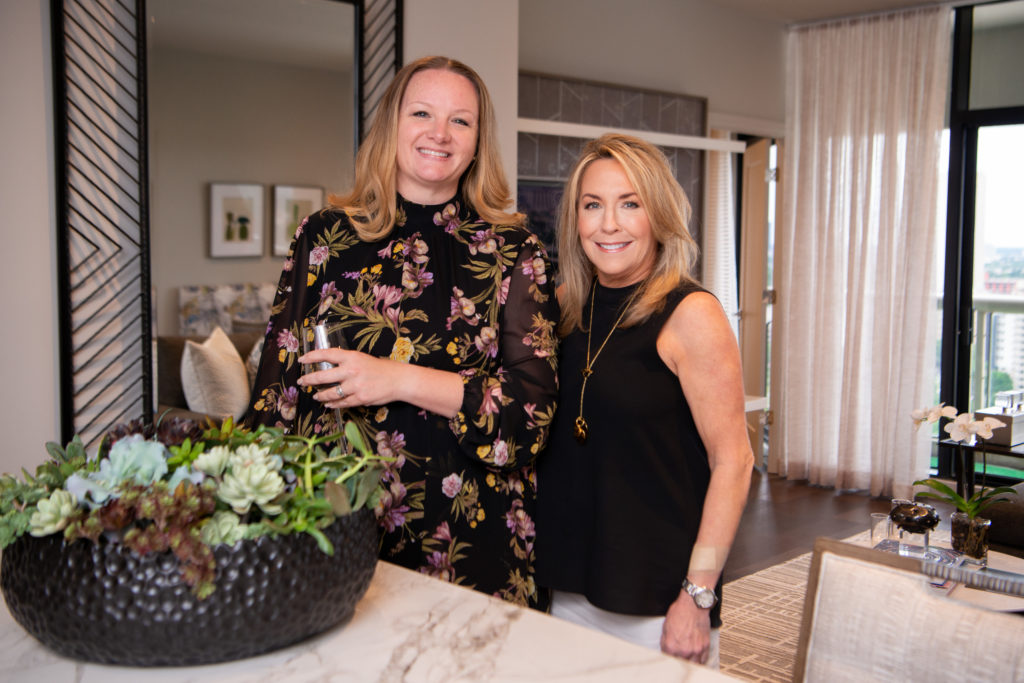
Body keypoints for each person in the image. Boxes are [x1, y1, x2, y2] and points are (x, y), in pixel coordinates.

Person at [247, 56, 559, 609]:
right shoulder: (323, 236)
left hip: (475, 536)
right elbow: (278, 399)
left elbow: (527, 419)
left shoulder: (515, 250)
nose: (439, 133)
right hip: (338, 527)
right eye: (422, 113)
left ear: (478, 140)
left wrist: (396, 379)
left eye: (461, 121)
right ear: (392, 123)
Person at [534, 133, 753, 665]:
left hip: (659, 606)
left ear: (657, 214)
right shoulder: (562, 307)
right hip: (565, 592)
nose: (609, 224)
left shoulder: (691, 314)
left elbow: (734, 461)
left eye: (629, 204)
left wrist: (697, 596)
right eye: (593, 205)